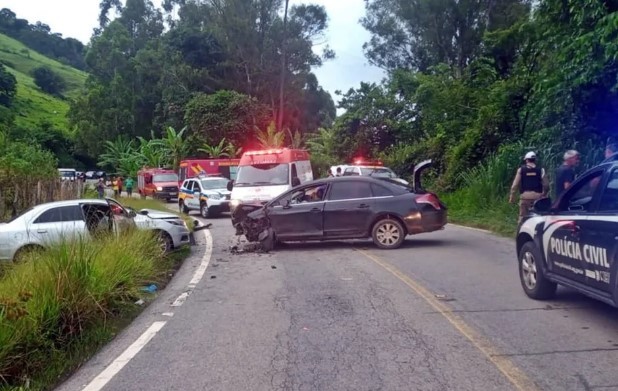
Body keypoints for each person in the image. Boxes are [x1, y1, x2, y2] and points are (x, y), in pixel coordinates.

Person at [509, 151, 549, 224]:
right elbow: (546, 185)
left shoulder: (521, 170)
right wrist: (544, 194)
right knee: (537, 217)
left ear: (526, 160)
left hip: (525, 197)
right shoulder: (541, 170)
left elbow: (515, 185)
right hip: (537, 197)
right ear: (535, 160)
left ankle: (521, 232)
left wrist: (512, 196)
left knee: (522, 217)